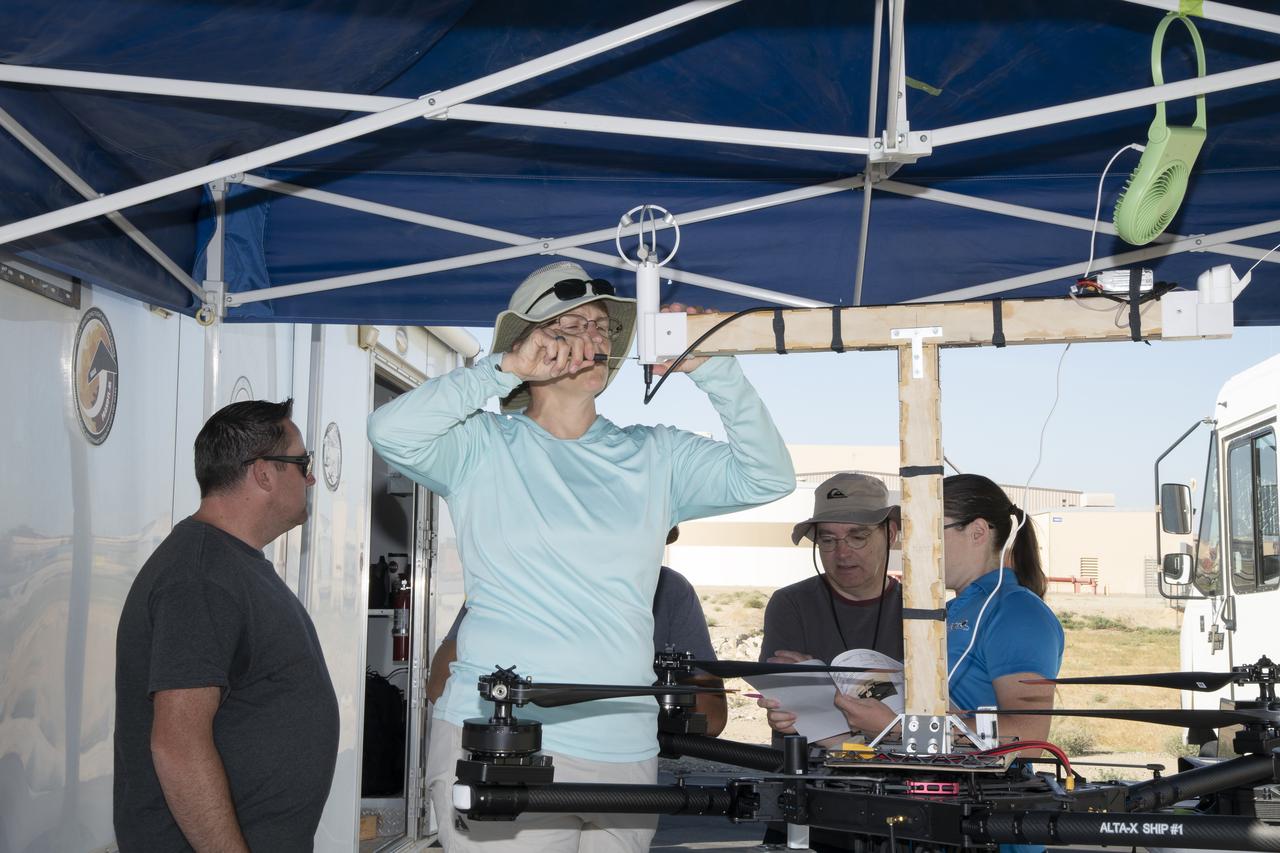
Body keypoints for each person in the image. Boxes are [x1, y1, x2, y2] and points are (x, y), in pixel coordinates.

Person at [367, 260, 794, 852]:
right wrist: (500, 369)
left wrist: (715, 372)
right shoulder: (481, 446)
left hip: (626, 746)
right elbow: (391, 432)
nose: (592, 338)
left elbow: (768, 477)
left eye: (601, 327)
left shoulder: (655, 455)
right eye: (569, 324)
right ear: (528, 339)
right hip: (504, 737)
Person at [114, 399, 339, 853]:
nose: (311, 478)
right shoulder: (200, 577)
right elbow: (178, 745)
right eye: (302, 463)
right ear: (263, 473)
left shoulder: (229, 564)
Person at [833, 473, 1063, 853]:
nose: (916, 547)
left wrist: (898, 728)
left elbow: (1027, 737)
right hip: (937, 816)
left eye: (931, 531)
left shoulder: (1016, 612)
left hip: (988, 825)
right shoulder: (955, 608)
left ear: (977, 532)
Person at [427, 529, 728, 736]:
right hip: (517, 761)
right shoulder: (513, 576)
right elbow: (440, 685)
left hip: (619, 766)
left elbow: (712, 717)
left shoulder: (671, 590)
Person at [757, 472, 905, 740]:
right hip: (811, 774)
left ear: (890, 535)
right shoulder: (790, 605)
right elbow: (786, 709)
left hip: (902, 775)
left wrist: (822, 686)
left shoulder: (921, 614)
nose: (842, 552)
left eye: (857, 536)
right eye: (827, 540)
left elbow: (933, 717)